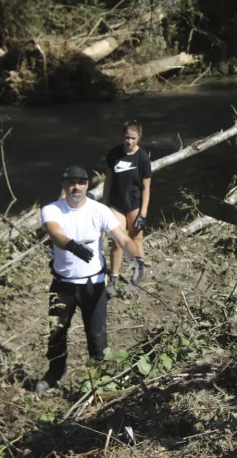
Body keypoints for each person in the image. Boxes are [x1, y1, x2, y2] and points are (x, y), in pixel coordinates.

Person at [36, 165, 145, 393]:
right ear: (63, 185)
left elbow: (123, 239)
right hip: (62, 285)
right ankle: (55, 371)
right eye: (71, 182)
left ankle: (98, 380)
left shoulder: (99, 210)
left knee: (97, 337)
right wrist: (72, 245)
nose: (76, 187)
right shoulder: (52, 209)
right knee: (56, 332)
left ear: (87, 184)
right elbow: (55, 233)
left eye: (81, 182)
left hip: (93, 285)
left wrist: (137, 259)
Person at [102, 120, 152, 288]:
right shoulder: (113, 154)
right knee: (117, 241)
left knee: (136, 239)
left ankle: (137, 276)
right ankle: (114, 277)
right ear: (122, 136)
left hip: (135, 205)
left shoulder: (142, 158)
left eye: (133, 138)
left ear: (139, 137)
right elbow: (108, 181)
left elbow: (146, 188)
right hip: (116, 204)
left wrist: (143, 213)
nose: (129, 142)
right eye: (126, 137)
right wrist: (105, 203)